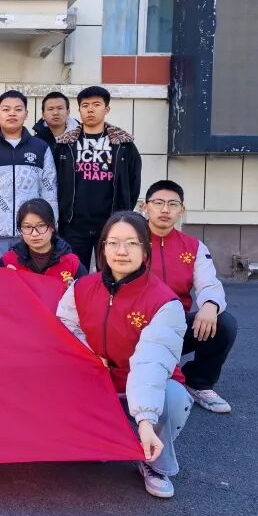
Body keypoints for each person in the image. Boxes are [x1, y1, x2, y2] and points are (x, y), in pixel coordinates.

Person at [56, 211, 191, 498]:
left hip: (143, 384)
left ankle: (153, 462)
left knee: (173, 398)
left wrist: (145, 421)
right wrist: (90, 356)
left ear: (145, 250)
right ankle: (104, 439)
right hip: (98, 380)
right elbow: (65, 327)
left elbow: (150, 363)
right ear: (103, 247)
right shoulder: (81, 287)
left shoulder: (164, 302)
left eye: (131, 243)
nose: (121, 251)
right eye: (114, 242)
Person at [143, 180, 238, 413]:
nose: (165, 209)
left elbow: (209, 284)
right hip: (136, 326)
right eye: (158, 203)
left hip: (175, 328)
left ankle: (198, 382)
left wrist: (210, 305)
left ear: (182, 210)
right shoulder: (131, 240)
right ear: (145, 207)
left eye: (173, 204)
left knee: (224, 322)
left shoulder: (193, 247)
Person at [0, 90, 58, 266]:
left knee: (27, 280)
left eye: (18, 109)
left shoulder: (40, 148)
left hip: (31, 234)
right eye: (6, 109)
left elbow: (49, 192)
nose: (12, 113)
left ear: (26, 114)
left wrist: (50, 227)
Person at [55, 86, 142, 269]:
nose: (90, 110)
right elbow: (56, 182)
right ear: (79, 110)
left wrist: (123, 212)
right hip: (73, 224)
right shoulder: (65, 145)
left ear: (107, 108)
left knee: (111, 272)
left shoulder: (123, 145)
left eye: (96, 105)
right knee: (72, 273)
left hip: (111, 223)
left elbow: (133, 182)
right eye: (85, 105)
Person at [0, 198, 86, 284]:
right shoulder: (8, 261)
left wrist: (73, 289)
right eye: (27, 227)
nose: (34, 233)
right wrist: (7, 283)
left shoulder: (71, 263)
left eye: (41, 225)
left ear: (52, 226)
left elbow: (86, 291)